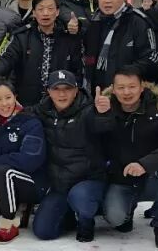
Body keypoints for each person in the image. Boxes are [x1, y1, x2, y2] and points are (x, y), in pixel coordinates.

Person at [95, 66, 158, 250]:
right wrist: (99, 116)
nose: (126, 92)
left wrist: (145, 164)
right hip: (121, 180)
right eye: (121, 87)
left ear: (142, 87)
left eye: (132, 87)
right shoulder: (104, 109)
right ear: (113, 89)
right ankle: (127, 212)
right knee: (115, 219)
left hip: (151, 177)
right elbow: (92, 140)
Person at [29, 70, 107, 242]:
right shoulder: (42, 111)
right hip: (60, 186)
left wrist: (104, 114)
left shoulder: (89, 110)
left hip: (87, 182)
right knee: (43, 231)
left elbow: (103, 126)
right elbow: (18, 114)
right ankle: (69, 215)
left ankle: (86, 221)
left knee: (80, 196)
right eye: (56, 89)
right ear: (48, 91)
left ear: (76, 90)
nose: (62, 94)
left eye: (67, 89)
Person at [0, 0, 84, 107]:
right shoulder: (22, 36)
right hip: (28, 101)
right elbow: (8, 58)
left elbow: (78, 70)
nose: (45, 13)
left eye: (50, 9)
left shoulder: (68, 38)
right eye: (40, 9)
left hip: (61, 100)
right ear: (33, 12)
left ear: (57, 12)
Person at [0, 81, 47, 244]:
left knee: (2, 170)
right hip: (2, 183)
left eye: (8, 97)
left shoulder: (30, 122)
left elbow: (30, 160)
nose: (4, 103)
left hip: (33, 182)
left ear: (15, 97)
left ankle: (8, 223)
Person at [84, 0, 158, 91]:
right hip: (97, 89)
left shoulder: (138, 21)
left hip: (127, 91)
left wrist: (125, 76)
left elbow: (150, 58)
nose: (107, 1)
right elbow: (88, 55)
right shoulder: (94, 21)